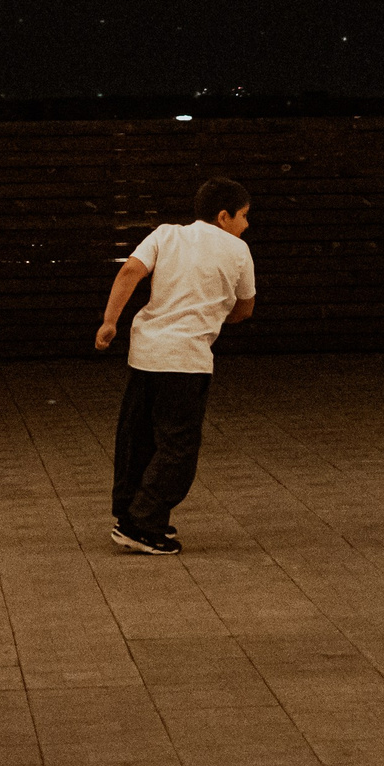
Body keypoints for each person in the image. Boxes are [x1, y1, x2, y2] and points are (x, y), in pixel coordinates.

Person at [95, 176, 257, 555]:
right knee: (178, 447)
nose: (247, 225)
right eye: (244, 216)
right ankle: (143, 524)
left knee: (138, 440)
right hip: (186, 362)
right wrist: (217, 317)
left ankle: (129, 514)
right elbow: (245, 308)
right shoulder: (237, 251)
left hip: (145, 355)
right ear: (223, 216)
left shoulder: (165, 235)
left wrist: (109, 321)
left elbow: (129, 272)